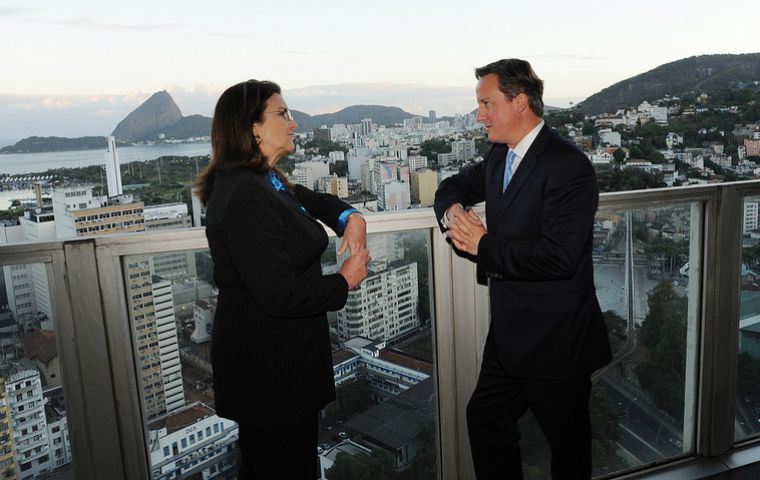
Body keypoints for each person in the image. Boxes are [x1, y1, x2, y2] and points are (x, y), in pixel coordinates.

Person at [434, 59, 612, 479]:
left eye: (486, 103)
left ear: (519, 102)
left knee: (568, 448)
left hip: (556, 339)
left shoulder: (568, 166)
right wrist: (453, 211)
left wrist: (483, 245)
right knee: (485, 419)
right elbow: (451, 186)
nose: (479, 115)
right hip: (510, 332)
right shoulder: (500, 156)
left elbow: (559, 257)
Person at [195, 79, 370, 478]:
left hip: (272, 367)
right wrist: (344, 280)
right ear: (253, 126)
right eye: (283, 113)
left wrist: (350, 217)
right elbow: (280, 296)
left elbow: (312, 200)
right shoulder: (245, 193)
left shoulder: (264, 181)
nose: (293, 123)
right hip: (271, 374)